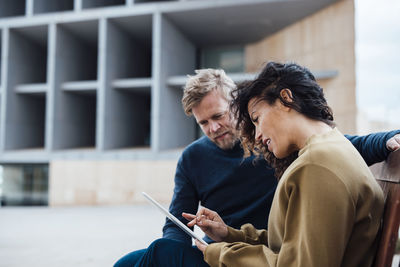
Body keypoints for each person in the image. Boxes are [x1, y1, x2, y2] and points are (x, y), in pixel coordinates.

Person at [114, 69, 400, 267]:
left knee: (158, 255)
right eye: (203, 123)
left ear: (235, 107)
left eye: (219, 116)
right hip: (239, 246)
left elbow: (349, 145)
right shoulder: (193, 158)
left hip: (251, 255)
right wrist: (221, 235)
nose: (213, 128)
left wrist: (388, 138)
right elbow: (177, 220)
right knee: (141, 258)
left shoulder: (289, 149)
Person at [184, 62, 385, 266]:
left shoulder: (316, 166)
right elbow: (288, 245)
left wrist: (221, 254)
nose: (258, 135)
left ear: (285, 99)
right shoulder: (329, 149)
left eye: (257, 118)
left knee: (161, 254)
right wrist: (229, 234)